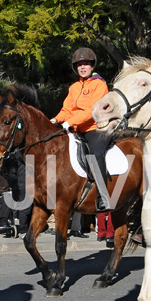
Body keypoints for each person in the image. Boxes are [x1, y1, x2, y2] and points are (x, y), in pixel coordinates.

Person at [51, 47, 112, 211]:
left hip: (95, 128)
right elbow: (67, 110)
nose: (83, 67)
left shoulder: (100, 85)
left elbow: (92, 110)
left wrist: (69, 122)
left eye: (86, 64)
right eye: (79, 65)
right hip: (75, 129)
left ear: (92, 66)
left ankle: (103, 196)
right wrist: (55, 119)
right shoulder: (74, 88)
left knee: (94, 155)